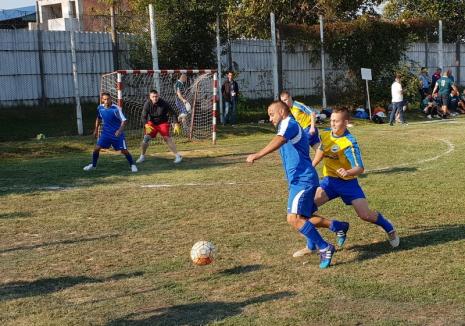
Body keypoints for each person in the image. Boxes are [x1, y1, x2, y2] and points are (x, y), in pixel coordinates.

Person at [293, 107, 399, 258]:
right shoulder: (326, 135)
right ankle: (312, 245)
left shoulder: (349, 142)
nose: (333, 124)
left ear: (346, 122)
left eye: (336, 121)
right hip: (329, 182)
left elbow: (360, 168)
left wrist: (348, 172)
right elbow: (321, 151)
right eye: (331, 121)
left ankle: (389, 227)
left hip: (348, 184)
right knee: (305, 210)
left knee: (365, 215)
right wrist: (312, 166)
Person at [246, 100, 337, 269]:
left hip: (302, 180)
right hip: (302, 179)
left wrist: (257, 155)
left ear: (282, 112)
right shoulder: (288, 126)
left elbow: (279, 140)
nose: (270, 119)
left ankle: (325, 247)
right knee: (304, 217)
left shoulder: (289, 124)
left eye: (272, 114)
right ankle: (332, 230)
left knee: (293, 218)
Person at [83, 92, 137, 172]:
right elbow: (98, 118)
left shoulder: (116, 109)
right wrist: (96, 130)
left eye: (108, 99)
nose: (106, 101)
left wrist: (119, 130)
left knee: (124, 150)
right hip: (106, 133)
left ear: (111, 99)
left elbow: (124, 121)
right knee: (96, 149)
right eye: (104, 99)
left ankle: (132, 165)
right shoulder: (100, 108)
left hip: (117, 134)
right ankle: (93, 165)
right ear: (102, 100)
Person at [136, 90, 182, 164]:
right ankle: (142, 156)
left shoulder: (164, 103)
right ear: (150, 97)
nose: (155, 98)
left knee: (167, 138)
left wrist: (176, 123)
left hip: (163, 123)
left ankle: (177, 156)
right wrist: (146, 124)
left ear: (159, 96)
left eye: (156, 96)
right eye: (153, 97)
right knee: (146, 138)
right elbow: (143, 117)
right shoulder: (147, 104)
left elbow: (173, 113)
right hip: (152, 123)